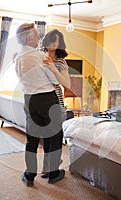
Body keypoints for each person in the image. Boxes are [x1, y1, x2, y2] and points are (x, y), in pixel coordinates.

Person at [14, 23, 65, 187]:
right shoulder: (39, 57)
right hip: (47, 99)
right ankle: (53, 173)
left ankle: (29, 175)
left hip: (29, 100)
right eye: (36, 35)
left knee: (32, 139)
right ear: (29, 39)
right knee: (55, 136)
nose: (39, 38)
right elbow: (56, 80)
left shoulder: (17, 57)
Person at [40, 29, 72, 178]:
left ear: (60, 44)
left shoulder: (61, 62)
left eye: (56, 41)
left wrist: (53, 67)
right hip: (41, 101)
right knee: (46, 136)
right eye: (51, 40)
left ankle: (52, 167)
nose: (53, 43)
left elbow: (67, 84)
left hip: (56, 102)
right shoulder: (40, 56)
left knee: (56, 136)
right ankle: (48, 167)